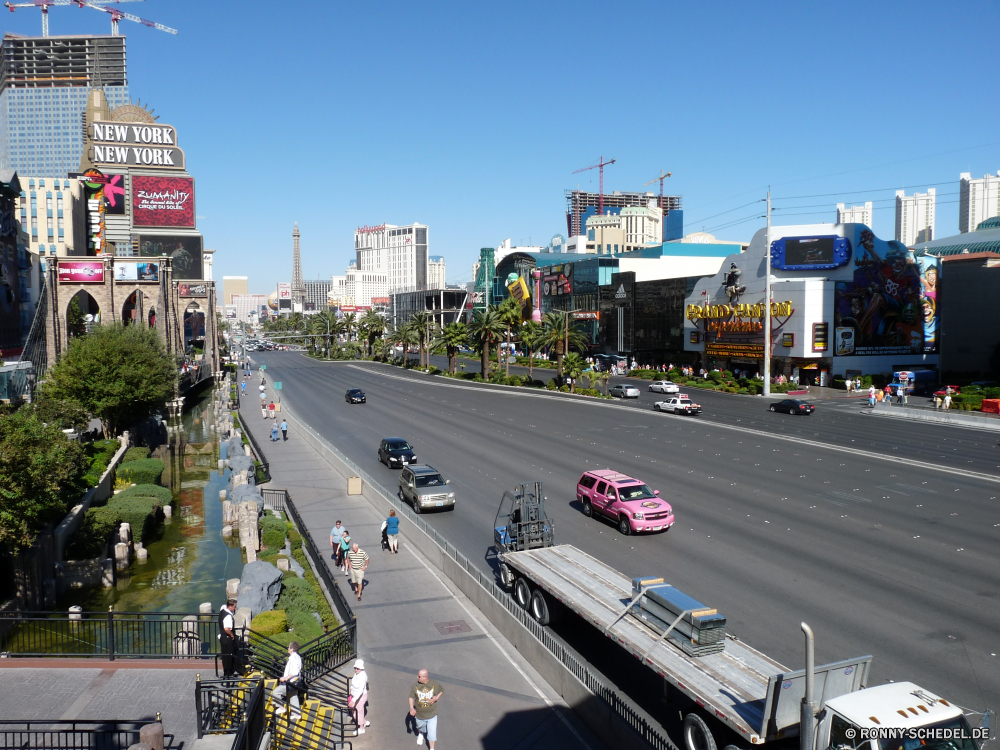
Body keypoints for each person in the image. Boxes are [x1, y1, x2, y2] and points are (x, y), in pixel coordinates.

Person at [408, 669, 444, 748]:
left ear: (425, 677)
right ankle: (420, 734)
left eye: (419, 676)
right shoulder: (416, 685)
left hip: (432, 714)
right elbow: (411, 697)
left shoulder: (434, 683)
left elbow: (441, 690)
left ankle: (432, 748)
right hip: (420, 715)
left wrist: (436, 698)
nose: (417, 677)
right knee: (420, 727)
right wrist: (411, 708)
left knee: (432, 734)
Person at [273, 642, 303, 721]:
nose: (288, 649)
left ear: (292, 649)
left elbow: (295, 671)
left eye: (289, 647)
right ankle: (296, 713)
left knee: (276, 692)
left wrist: (286, 678)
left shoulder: (292, 657)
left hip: (291, 681)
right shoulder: (298, 657)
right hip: (296, 681)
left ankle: (281, 707)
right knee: (293, 695)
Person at [349, 659, 370, 734]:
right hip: (356, 696)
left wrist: (353, 700)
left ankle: (361, 728)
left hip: (360, 696)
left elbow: (360, 690)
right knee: (355, 711)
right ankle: (364, 722)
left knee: (358, 712)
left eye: (358, 668)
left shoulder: (362, 676)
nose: (356, 670)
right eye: (355, 668)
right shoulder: (357, 674)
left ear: (361, 668)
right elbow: (353, 683)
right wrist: (351, 689)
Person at [219, 599, 237, 677]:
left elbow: (223, 606)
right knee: (229, 656)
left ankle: (226, 672)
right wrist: (232, 635)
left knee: (225, 655)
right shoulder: (228, 616)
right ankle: (228, 673)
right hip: (227, 638)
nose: (235, 609)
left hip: (222, 638)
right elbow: (227, 628)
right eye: (234, 607)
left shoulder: (223, 610)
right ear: (230, 606)